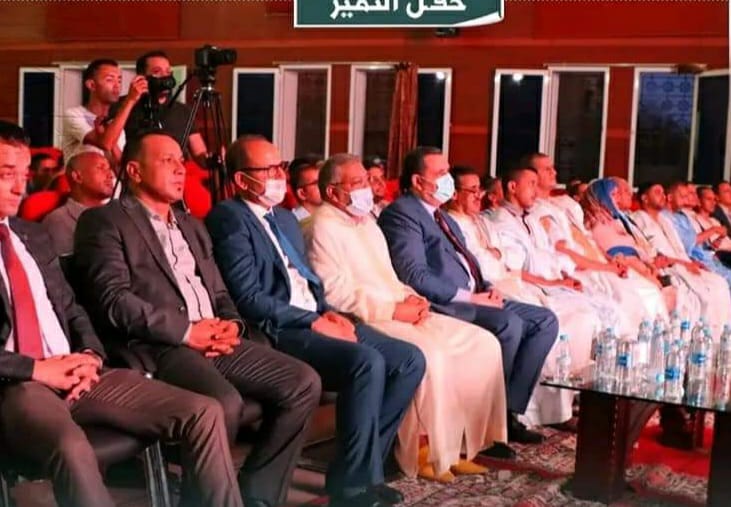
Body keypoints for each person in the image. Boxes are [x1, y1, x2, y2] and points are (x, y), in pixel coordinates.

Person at [0, 120, 244, 507]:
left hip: (78, 370)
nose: (20, 187)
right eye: (5, 174)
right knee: (72, 446)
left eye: (24, 175)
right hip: (19, 382)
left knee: (205, 411)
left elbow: (72, 309)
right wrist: (37, 370)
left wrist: (90, 355)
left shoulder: (31, 235)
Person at [73, 130, 322, 507]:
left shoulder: (191, 224)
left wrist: (231, 325)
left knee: (302, 382)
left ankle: (258, 493)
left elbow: (220, 293)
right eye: (167, 161)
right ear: (135, 171)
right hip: (162, 344)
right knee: (224, 402)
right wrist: (188, 332)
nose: (180, 169)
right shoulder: (105, 221)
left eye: (181, 161)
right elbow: (113, 301)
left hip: (215, 336)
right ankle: (203, 499)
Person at [206, 136, 425, 507]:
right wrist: (311, 320)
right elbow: (249, 298)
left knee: (408, 360)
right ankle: (353, 488)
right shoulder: (230, 218)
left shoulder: (284, 218)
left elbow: (306, 278)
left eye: (280, 167)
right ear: (242, 180)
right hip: (281, 327)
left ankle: (360, 469)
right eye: (268, 170)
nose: (279, 176)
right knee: (366, 362)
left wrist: (327, 311)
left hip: (315, 315)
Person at [305, 154, 508, 482]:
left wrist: (411, 296)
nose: (367, 188)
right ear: (332, 192)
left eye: (367, 181)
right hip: (367, 316)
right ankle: (424, 453)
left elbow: (388, 276)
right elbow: (337, 294)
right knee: (434, 356)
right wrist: (394, 309)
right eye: (356, 183)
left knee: (482, 344)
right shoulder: (323, 226)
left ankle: (455, 447)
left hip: (400, 306)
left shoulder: (366, 222)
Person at [378, 146, 558, 443]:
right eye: (440, 173)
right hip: (444, 303)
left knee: (544, 321)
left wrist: (487, 288)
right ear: (418, 181)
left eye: (448, 171)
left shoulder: (442, 216)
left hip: (476, 295)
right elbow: (415, 275)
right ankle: (486, 426)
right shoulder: (403, 214)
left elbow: (468, 260)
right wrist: (471, 298)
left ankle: (509, 411)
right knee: (508, 324)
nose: (447, 179)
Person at [524, 153, 670, 329]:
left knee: (646, 294)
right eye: (547, 169)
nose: (554, 172)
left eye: (553, 168)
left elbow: (588, 239)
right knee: (630, 302)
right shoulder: (537, 210)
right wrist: (607, 267)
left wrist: (610, 259)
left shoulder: (563, 203)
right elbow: (563, 251)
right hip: (581, 270)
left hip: (599, 264)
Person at [118, 51, 208, 167]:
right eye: (157, 72)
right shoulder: (125, 106)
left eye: (168, 72)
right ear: (142, 77)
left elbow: (199, 153)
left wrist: (212, 159)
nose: (165, 77)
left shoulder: (183, 111)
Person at [62, 59, 146, 166]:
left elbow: (119, 167)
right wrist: (130, 100)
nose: (117, 86)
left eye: (119, 81)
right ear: (91, 85)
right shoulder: (74, 114)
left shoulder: (116, 122)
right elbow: (105, 143)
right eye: (110, 80)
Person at [43, 150, 115, 257]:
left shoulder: (115, 213)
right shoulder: (58, 221)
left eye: (109, 169)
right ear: (77, 177)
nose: (111, 175)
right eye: (101, 168)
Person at [289, 155, 323, 223]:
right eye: (318, 182)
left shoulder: (332, 218)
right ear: (302, 193)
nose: (325, 185)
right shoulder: (291, 222)